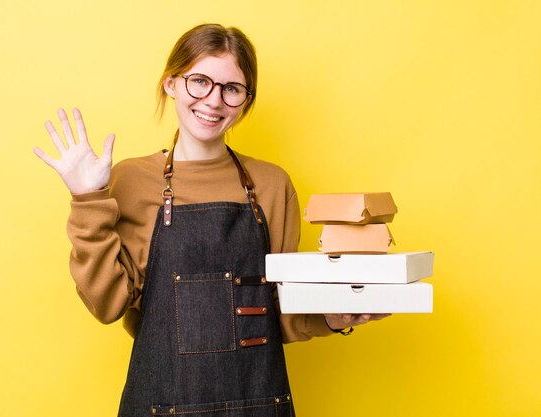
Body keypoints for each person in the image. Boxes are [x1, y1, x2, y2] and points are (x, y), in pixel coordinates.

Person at [34, 23, 388, 417]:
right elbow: (108, 305)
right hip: (159, 405)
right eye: (199, 81)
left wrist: (332, 317)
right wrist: (87, 199)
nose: (214, 101)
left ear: (245, 100)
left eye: (231, 89)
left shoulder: (272, 185)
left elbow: (277, 311)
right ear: (171, 84)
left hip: (258, 405)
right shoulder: (129, 180)